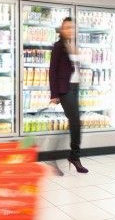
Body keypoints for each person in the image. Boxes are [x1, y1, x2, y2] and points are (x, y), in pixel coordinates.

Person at [49, 17, 88, 173]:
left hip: (75, 88)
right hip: (65, 89)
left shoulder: (74, 45)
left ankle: (67, 155)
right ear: (62, 30)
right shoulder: (58, 47)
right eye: (66, 27)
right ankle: (74, 156)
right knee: (76, 122)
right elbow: (52, 70)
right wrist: (54, 94)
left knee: (74, 123)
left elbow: (76, 67)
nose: (70, 30)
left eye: (72, 27)